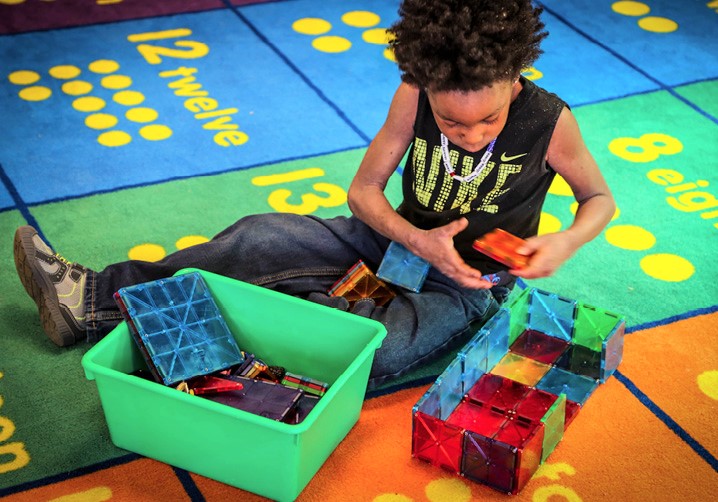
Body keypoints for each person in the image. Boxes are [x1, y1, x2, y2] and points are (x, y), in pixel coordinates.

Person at [13, 0, 615, 390]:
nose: (469, 136)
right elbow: (363, 193)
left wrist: (563, 240)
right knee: (258, 236)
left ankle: (291, 321)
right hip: (393, 238)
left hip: (468, 282)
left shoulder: (550, 121)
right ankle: (90, 299)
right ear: (426, 85)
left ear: (513, 80)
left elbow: (599, 200)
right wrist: (413, 239)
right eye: (451, 123)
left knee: (373, 354)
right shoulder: (413, 91)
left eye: (486, 120)